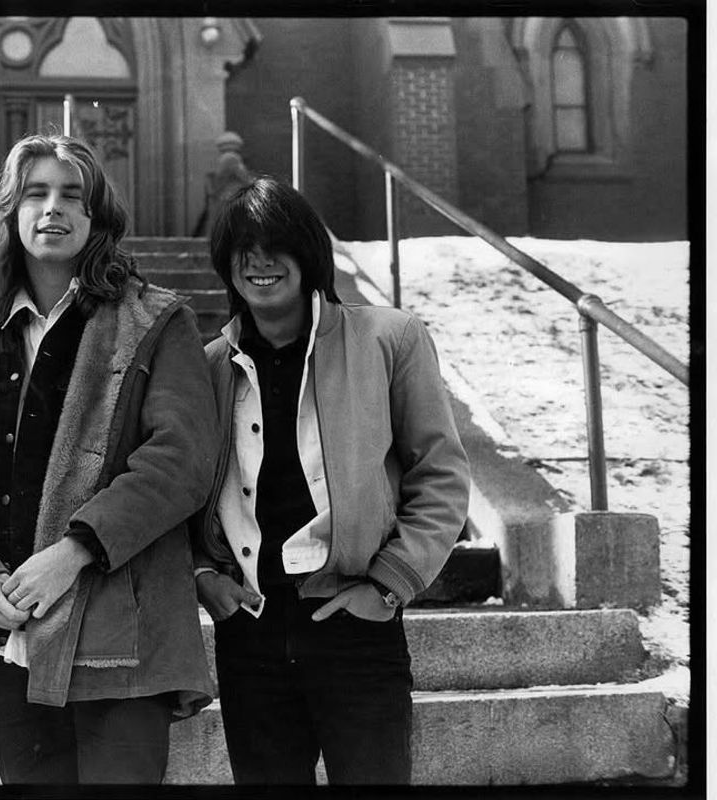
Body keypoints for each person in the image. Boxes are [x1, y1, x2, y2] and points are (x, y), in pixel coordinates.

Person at [0, 133, 217, 784]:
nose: (52, 208)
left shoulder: (157, 322)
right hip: (11, 639)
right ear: (10, 212)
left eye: (71, 195)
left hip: (121, 637)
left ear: (97, 218)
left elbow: (182, 457)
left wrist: (76, 549)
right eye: (35, 193)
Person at [192, 177, 470, 785]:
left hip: (355, 626)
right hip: (251, 630)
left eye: (276, 245)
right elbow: (182, 486)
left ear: (310, 253)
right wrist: (203, 575)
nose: (259, 262)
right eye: (243, 249)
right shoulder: (210, 366)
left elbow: (441, 473)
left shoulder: (389, 338)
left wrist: (388, 586)